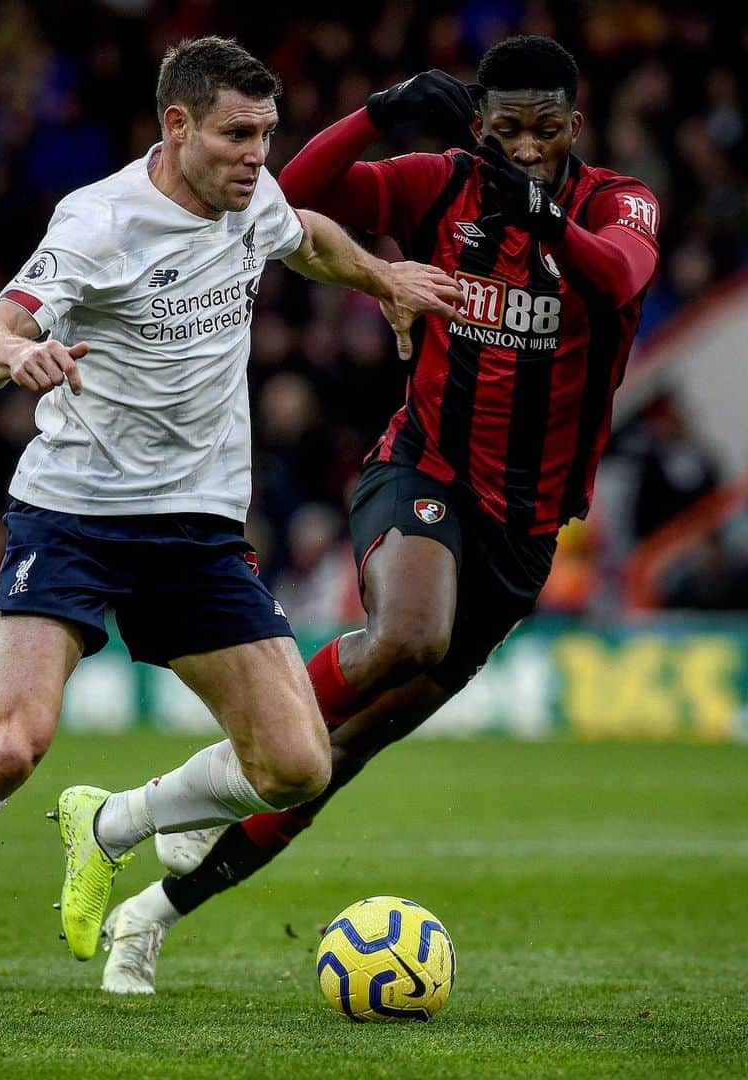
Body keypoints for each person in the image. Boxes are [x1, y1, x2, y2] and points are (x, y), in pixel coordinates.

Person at [0, 35, 463, 1015]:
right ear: (176, 126)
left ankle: (108, 826)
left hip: (196, 530)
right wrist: (16, 360)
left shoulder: (249, 197)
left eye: (265, 134)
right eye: (234, 135)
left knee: (297, 768)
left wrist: (384, 280)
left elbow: (305, 234)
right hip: (74, 513)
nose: (255, 155)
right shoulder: (98, 222)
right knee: (11, 745)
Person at [96, 35, 662, 994]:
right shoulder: (442, 182)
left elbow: (617, 278)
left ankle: (149, 912)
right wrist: (378, 111)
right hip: (424, 468)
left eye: (548, 128)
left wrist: (543, 215)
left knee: (338, 759)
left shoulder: (617, 201)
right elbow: (300, 191)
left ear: (576, 122)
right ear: (480, 123)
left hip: (525, 533)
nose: (528, 148)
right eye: (508, 129)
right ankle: (217, 778)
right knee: (404, 637)